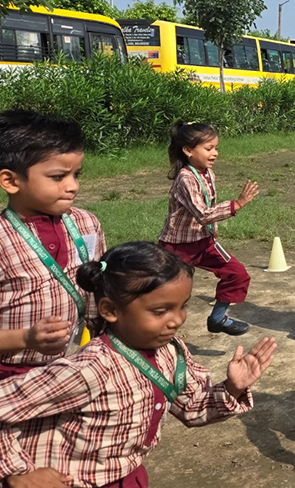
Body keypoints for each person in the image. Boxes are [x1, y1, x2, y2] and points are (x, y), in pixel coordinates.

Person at [0, 241, 276, 487]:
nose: (177, 320)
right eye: (160, 311)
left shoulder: (172, 351)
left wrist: (232, 388)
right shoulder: (90, 369)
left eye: (183, 306)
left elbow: (191, 410)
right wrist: (17, 472)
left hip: (127, 476)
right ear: (110, 310)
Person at [0, 109, 106, 379]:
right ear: (11, 181)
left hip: (73, 368)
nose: (72, 186)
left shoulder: (86, 224)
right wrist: (26, 338)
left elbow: (97, 291)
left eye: (76, 175)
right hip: (12, 377)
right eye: (58, 177)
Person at [158, 121, 259, 335]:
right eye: (208, 148)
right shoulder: (186, 178)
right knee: (167, 292)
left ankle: (218, 318)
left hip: (204, 242)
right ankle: (151, 332)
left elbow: (207, 212)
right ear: (187, 151)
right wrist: (237, 204)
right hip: (177, 247)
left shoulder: (208, 174)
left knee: (237, 274)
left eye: (216, 148)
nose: (215, 153)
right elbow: (203, 214)